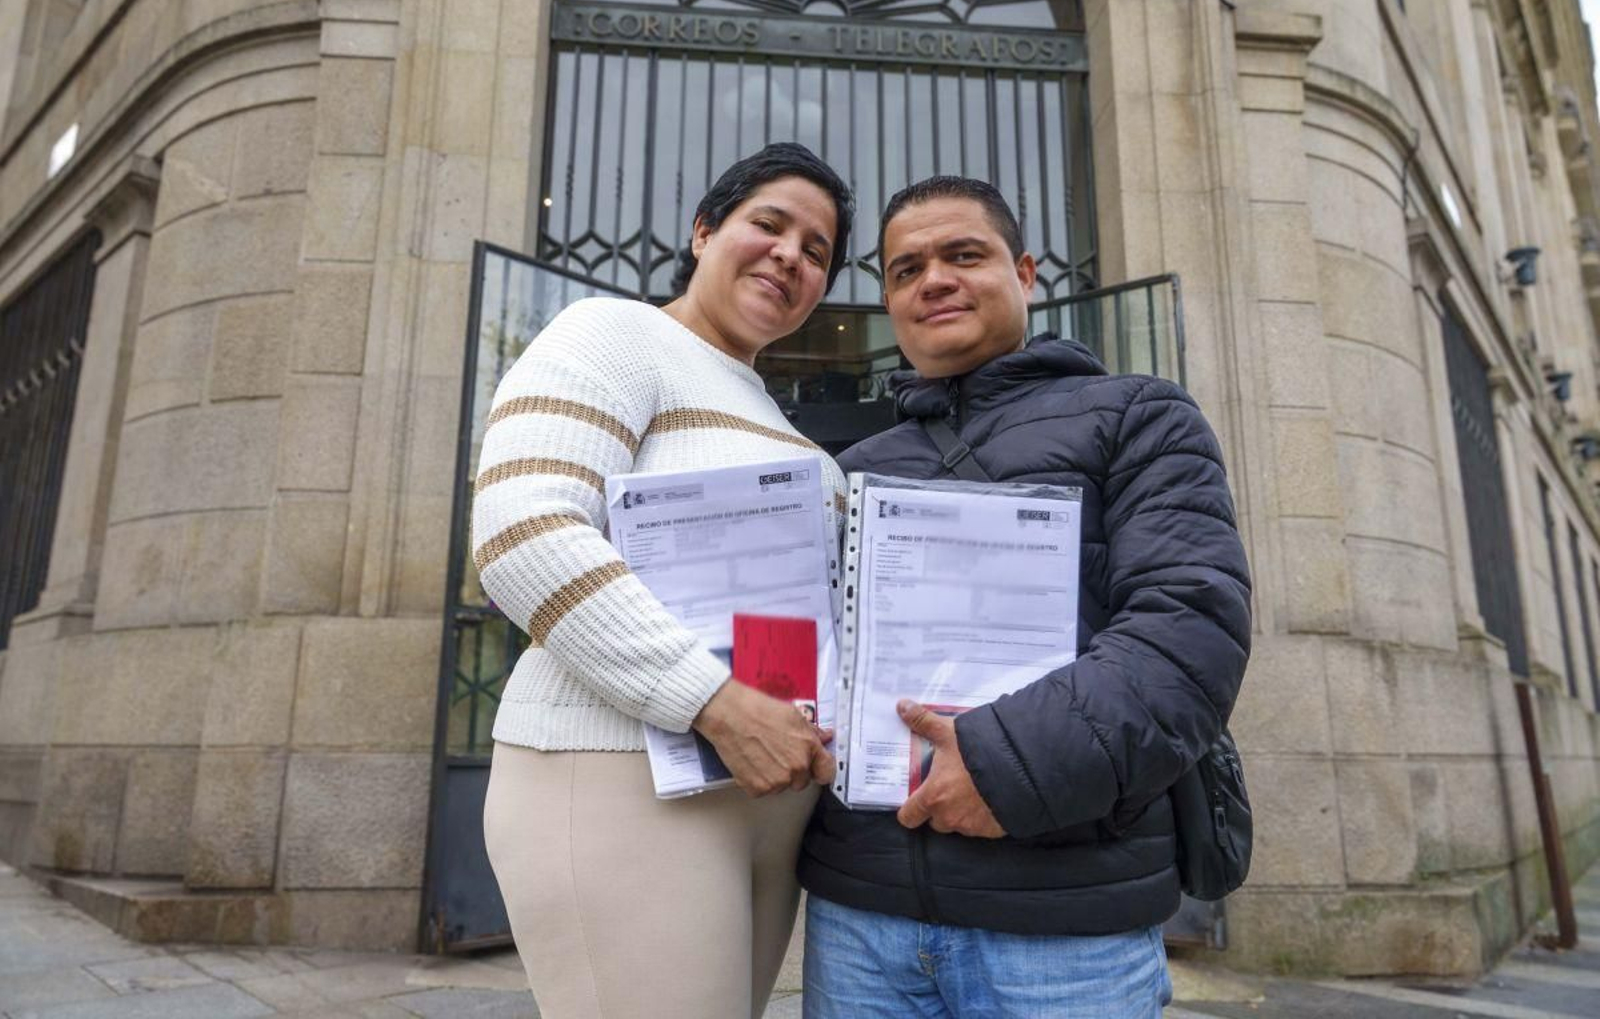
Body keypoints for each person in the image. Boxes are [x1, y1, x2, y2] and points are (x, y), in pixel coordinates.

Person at [798, 176, 1252, 1017]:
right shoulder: (855, 470)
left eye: (963, 254)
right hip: (861, 915)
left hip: (1064, 925)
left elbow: (1189, 634)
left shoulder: (1140, 418)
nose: (933, 278)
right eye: (905, 269)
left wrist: (1004, 770)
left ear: (1028, 272)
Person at [475, 143, 853, 1019]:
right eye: (769, 223)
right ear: (703, 230)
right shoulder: (613, 332)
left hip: (763, 796)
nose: (791, 254)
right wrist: (716, 703)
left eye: (817, 250)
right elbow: (524, 530)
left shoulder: (768, 409)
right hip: (616, 771)